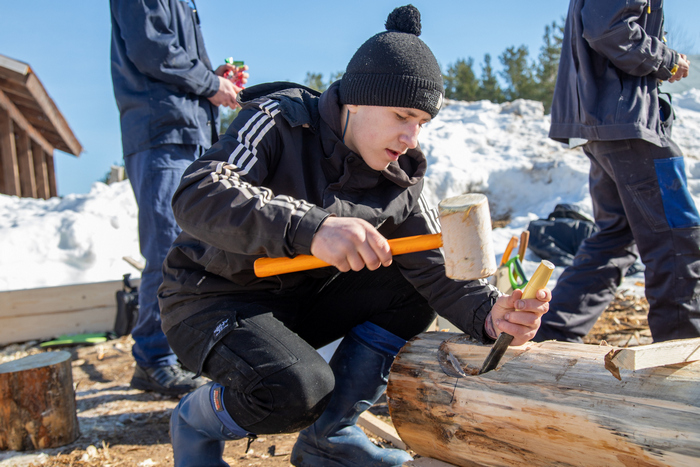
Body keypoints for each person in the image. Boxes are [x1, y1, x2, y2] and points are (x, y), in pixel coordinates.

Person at [159, 5, 551, 467]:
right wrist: (312, 227)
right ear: (357, 99)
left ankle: (331, 438)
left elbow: (433, 267)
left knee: (408, 284)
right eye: (403, 115)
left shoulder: (399, 178)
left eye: (422, 123)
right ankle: (195, 420)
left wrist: (490, 314)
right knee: (296, 393)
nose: (412, 137)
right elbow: (200, 190)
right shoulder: (279, 120)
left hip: (297, 306)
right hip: (211, 301)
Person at [535, 0, 700, 344]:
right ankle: (680, 355)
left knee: (614, 237)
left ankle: (551, 337)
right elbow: (607, 28)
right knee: (676, 236)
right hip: (626, 123)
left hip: (607, 124)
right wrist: (667, 60)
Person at [110, 0, 247, 396]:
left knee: (191, 246)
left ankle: (178, 352)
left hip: (187, 133)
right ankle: (154, 359)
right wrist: (212, 85)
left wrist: (213, 78)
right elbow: (152, 48)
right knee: (167, 248)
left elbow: (174, 56)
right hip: (161, 134)